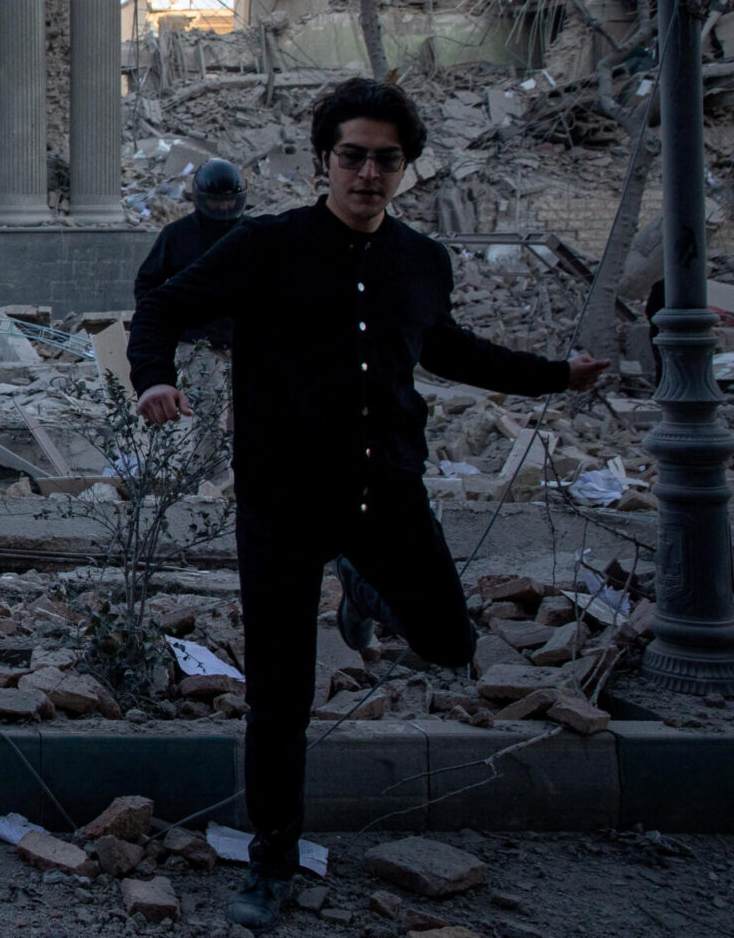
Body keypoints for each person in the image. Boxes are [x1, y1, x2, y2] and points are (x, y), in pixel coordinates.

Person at [128, 78, 609, 933]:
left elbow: (448, 347)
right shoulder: (265, 246)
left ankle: (362, 584)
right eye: (353, 156)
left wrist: (552, 376)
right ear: (325, 160)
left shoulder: (421, 260)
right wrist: (154, 378)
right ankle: (273, 861)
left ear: (404, 168)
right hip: (281, 502)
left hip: (385, 491)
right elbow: (162, 305)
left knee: (450, 641)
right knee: (281, 695)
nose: (368, 174)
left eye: (386, 160)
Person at [133, 158, 248, 352]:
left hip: (244, 342)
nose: (224, 207)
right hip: (194, 344)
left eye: (230, 200)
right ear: (201, 197)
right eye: (216, 201)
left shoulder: (251, 232)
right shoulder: (177, 235)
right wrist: (158, 323)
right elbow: (147, 283)